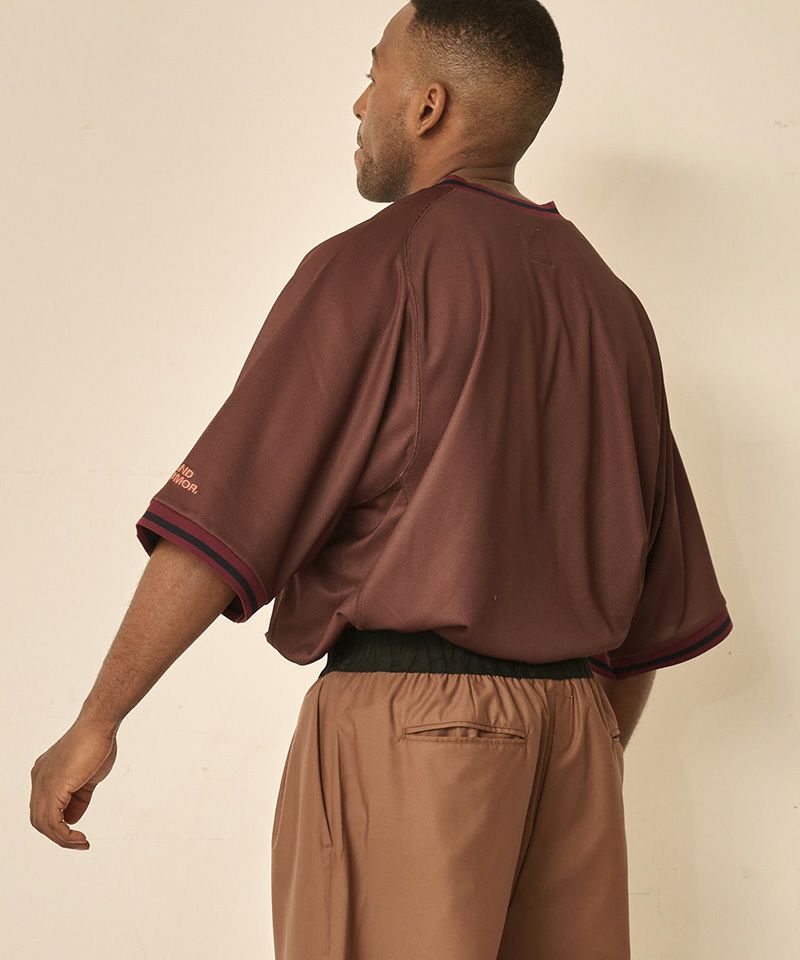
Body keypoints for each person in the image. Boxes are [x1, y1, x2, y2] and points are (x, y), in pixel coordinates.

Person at [29, 2, 733, 957]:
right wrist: (577, 752)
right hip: (579, 741)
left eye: (374, 75)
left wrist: (98, 720)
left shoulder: (378, 264)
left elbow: (232, 513)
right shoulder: (612, 307)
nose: (360, 102)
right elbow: (655, 607)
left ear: (428, 106)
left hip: (413, 728)